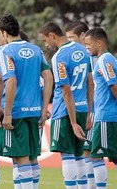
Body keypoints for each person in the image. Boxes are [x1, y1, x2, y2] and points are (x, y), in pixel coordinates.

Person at [0, 14, 53, 189]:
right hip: (35, 110)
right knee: (32, 158)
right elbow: (48, 77)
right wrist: (44, 108)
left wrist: (7, 113)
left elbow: (10, 81)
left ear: (5, 33)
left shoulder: (6, 51)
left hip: (17, 112)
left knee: (21, 159)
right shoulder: (36, 50)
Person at [39, 21, 93, 189]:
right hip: (83, 109)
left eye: (44, 40)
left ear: (52, 36)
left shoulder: (59, 57)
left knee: (67, 156)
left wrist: (72, 122)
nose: (45, 44)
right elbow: (90, 83)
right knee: (79, 156)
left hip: (64, 112)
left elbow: (66, 91)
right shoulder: (84, 51)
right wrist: (89, 112)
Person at [83, 28, 117, 189]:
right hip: (115, 116)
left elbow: (116, 88)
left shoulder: (103, 61)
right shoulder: (114, 60)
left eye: (88, 44)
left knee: (95, 157)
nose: (86, 47)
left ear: (99, 42)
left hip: (105, 116)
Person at [65, 20, 96, 189]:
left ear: (83, 36)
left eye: (71, 38)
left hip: (90, 110)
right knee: (85, 153)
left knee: (86, 153)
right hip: (88, 109)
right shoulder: (89, 56)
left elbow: (91, 84)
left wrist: (90, 112)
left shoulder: (89, 56)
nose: (69, 42)